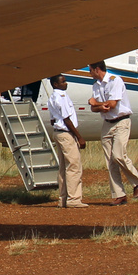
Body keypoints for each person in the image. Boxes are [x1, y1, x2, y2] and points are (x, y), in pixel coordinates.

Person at [88, 60, 138, 205]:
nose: (89, 73)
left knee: (119, 155)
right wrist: (99, 106)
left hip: (121, 121)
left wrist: (95, 103)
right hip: (107, 124)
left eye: (90, 70)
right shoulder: (96, 86)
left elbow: (112, 105)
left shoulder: (115, 81)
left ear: (97, 69)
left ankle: (137, 182)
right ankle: (119, 195)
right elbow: (94, 109)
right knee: (110, 162)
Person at [46, 74, 88, 208]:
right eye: (63, 81)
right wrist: (79, 136)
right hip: (66, 133)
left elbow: (53, 120)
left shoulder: (52, 97)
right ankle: (74, 199)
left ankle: (63, 199)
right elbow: (67, 119)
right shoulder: (62, 97)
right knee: (74, 166)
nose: (66, 83)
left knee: (63, 168)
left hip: (57, 133)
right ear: (56, 84)